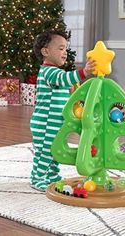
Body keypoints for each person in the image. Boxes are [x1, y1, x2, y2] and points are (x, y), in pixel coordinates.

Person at [30, 30, 95, 191]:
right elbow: (63, 79)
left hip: (54, 122)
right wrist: (84, 72)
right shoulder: (49, 72)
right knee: (46, 151)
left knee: (55, 149)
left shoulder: (54, 71)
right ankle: (37, 177)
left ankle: (51, 175)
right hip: (45, 123)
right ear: (45, 52)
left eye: (65, 49)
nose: (65, 53)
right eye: (60, 48)